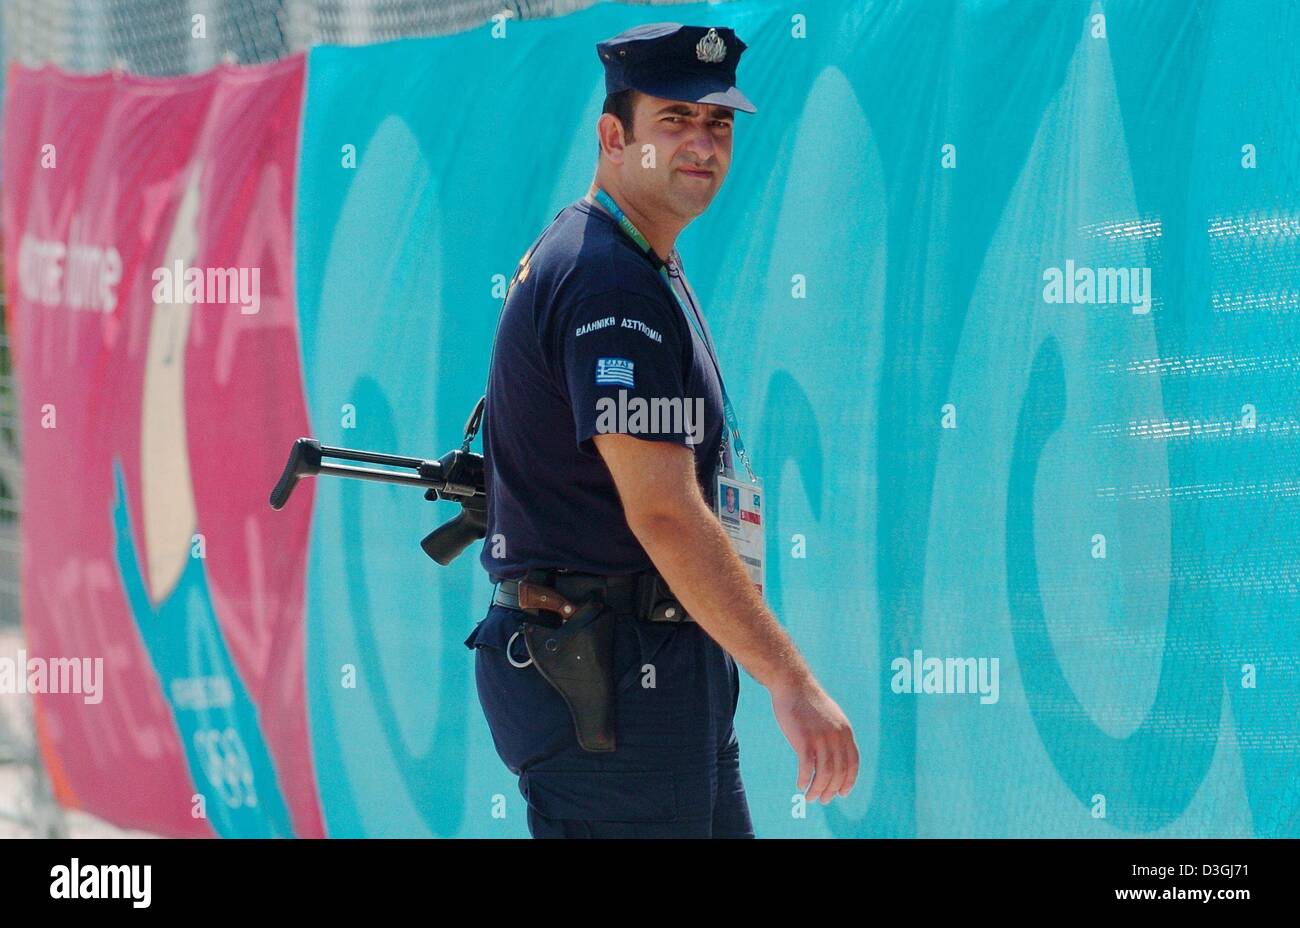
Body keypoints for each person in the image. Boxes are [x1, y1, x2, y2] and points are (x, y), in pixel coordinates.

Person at [463, 21, 858, 838]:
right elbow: (665, 512)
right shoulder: (609, 279)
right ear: (614, 137)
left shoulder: (631, 261)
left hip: (652, 673)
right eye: (674, 121)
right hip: (612, 685)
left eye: (718, 124)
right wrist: (790, 681)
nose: (703, 144)